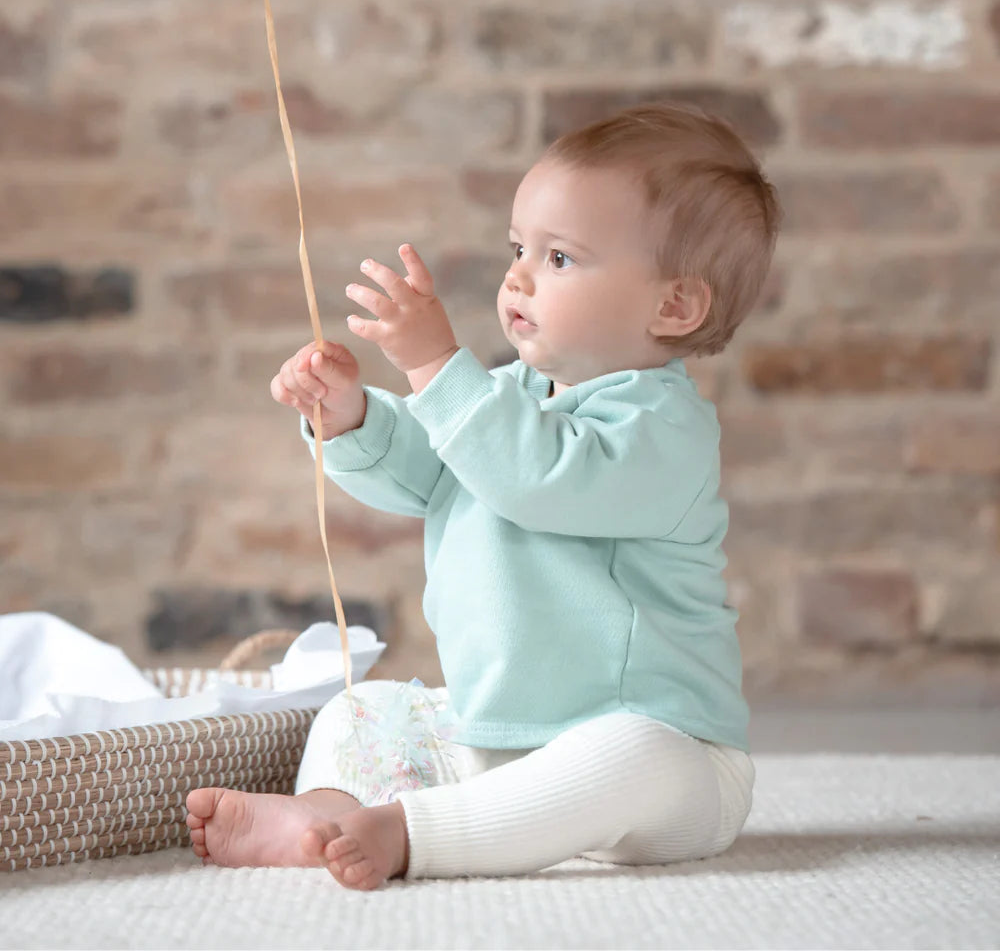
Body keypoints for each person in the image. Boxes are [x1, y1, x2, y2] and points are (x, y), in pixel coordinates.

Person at [185, 102, 781, 890]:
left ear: (673, 305)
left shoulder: (663, 430)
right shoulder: (507, 396)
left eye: (560, 258)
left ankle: (415, 834)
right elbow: (431, 470)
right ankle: (322, 814)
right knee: (367, 712)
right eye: (518, 248)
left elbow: (536, 477)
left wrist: (434, 362)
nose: (519, 275)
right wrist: (351, 418)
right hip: (495, 734)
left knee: (634, 756)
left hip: (669, 760)